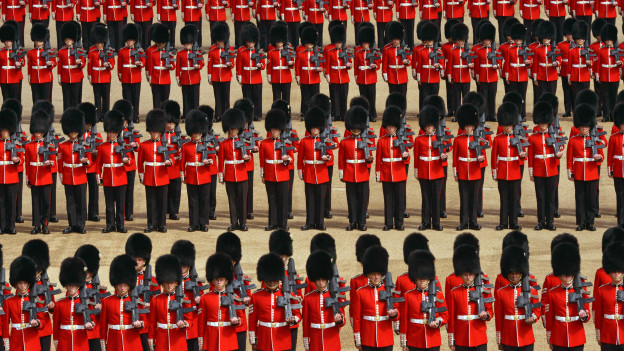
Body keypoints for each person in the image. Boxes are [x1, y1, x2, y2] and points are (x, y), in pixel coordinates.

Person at [544, 242, 591, 351]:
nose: (567, 276)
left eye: (569, 273)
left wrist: (584, 316)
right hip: (558, 337)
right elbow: (550, 317)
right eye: (564, 273)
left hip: (577, 336)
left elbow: (587, 314)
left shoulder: (581, 291)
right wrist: (550, 338)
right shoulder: (552, 293)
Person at [249, 253, 301, 351]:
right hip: (264, 341)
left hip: (283, 341)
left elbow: (298, 314)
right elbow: (252, 321)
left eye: (274, 279)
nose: (272, 282)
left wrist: (294, 319)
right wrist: (253, 340)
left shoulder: (289, 294)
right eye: (269, 280)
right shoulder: (256, 296)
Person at [351, 245, 398, 351]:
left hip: (385, 338)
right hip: (368, 339)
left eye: (379, 274)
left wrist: (394, 315)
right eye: (373, 274)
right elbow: (357, 318)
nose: (376, 277)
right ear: (368, 274)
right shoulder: (360, 292)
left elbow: (397, 314)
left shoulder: (389, 290)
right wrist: (358, 339)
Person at [447, 244, 493, 351]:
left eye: (471, 274)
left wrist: (486, 315)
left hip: (479, 337)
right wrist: (451, 340)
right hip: (461, 339)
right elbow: (452, 317)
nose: (468, 277)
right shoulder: (454, 292)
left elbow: (490, 311)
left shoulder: (483, 288)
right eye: (465, 274)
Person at [399, 249, 448, 351]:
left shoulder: (438, 294)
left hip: (433, 339)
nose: (422, 279)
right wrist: (404, 342)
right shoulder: (408, 296)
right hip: (414, 341)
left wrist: (438, 322)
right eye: (419, 277)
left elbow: (445, 315)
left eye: (425, 276)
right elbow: (404, 320)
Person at [494, 245, 541, 350]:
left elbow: (537, 309)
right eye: (511, 273)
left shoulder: (531, 290)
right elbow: (499, 316)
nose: (514, 276)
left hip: (526, 336)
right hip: (508, 338)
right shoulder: (501, 292)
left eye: (517, 273)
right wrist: (499, 338)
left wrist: (533, 317)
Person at [567, 103, 603, 231]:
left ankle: (590, 222)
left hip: (591, 171)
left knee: (591, 199)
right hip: (578, 172)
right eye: (582, 126)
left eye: (586, 126)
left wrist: (599, 159)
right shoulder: (573, 140)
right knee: (580, 198)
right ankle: (581, 222)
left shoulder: (596, 139)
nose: (584, 128)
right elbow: (569, 157)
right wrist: (570, 172)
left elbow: (601, 155)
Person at [527, 101, 562, 231]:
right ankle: (541, 221)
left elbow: (560, 150)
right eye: (541, 122)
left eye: (544, 122)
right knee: (540, 198)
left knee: (550, 197)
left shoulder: (554, 136)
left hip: (551, 170)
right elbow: (530, 157)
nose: (542, 125)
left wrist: (559, 154)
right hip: (538, 171)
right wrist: (531, 173)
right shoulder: (533, 138)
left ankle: (550, 222)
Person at [198, 253, 243, 351]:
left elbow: (242, 319)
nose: (219, 282)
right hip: (211, 339)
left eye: (221, 280)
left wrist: (237, 321)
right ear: (212, 281)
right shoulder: (205, 298)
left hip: (228, 338)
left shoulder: (235, 297)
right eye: (216, 280)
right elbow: (201, 322)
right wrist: (201, 340)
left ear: (226, 281)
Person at [302, 250, 345, 351]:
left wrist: (339, 320)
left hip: (332, 340)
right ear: (314, 280)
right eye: (318, 279)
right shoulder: (308, 298)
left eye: (323, 279)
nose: (321, 283)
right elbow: (306, 323)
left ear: (327, 279)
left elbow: (343, 321)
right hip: (315, 342)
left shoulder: (335, 295)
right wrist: (306, 342)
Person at [215, 232, 251, 351]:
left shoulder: (243, 279)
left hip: (239, 326)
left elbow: (250, 302)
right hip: (223, 325)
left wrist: (246, 301)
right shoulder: (215, 280)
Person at [148, 254, 193, 351]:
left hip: (178, 339)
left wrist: (185, 324)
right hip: (161, 339)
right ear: (163, 283)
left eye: (171, 282)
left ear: (176, 283)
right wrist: (151, 338)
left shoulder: (184, 298)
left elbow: (190, 320)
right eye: (167, 282)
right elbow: (152, 322)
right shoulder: (156, 300)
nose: (169, 285)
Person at [339, 106, 373, 231]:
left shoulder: (367, 141)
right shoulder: (345, 142)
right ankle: (352, 221)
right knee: (351, 199)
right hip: (349, 173)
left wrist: (369, 161)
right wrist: (342, 173)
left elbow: (370, 157)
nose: (356, 129)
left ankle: (362, 222)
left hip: (362, 172)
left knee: (363, 199)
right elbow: (341, 159)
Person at [492, 103, 525, 231]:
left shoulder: (519, 138)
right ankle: (503, 222)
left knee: (514, 198)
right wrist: (495, 172)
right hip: (502, 172)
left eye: (510, 125)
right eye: (506, 125)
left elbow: (524, 156)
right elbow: (494, 157)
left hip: (515, 171)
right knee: (504, 199)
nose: (508, 128)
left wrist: (523, 155)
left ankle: (514, 222)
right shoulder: (498, 139)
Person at [138, 109, 172, 233]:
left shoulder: (165, 144)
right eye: (153, 131)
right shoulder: (144, 145)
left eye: (157, 131)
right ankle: (151, 224)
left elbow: (171, 158)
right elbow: (140, 162)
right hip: (149, 177)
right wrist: (141, 176)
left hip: (162, 175)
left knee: (162, 203)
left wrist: (169, 162)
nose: (155, 133)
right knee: (151, 202)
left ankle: (162, 224)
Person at [125, 232, 160, 351]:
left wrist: (150, 305)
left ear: (145, 261)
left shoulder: (153, 280)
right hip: (129, 323)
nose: (137, 262)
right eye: (135, 259)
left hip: (147, 324)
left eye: (140, 260)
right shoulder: (124, 279)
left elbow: (159, 301)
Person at [298, 107, 332, 230]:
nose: (315, 129)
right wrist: (300, 171)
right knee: (310, 199)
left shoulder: (325, 141)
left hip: (321, 172)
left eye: (317, 128)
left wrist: (327, 157)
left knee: (320, 200)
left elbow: (331, 156)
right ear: (310, 128)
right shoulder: (304, 141)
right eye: (313, 128)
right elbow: (300, 158)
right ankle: (310, 222)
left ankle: (320, 223)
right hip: (309, 173)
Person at [413, 105, 446, 231]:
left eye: (431, 126)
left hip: (436, 171)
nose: (429, 128)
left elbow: (445, 151)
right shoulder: (419, 139)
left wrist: (443, 156)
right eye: (427, 126)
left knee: (436, 199)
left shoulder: (439, 138)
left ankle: (436, 223)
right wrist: (416, 171)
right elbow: (416, 156)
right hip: (424, 172)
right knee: (425, 199)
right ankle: (425, 222)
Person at [97, 110, 130, 233]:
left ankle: (120, 225)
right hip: (107, 178)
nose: (111, 134)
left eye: (113, 132)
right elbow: (98, 165)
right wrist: (99, 178)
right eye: (109, 132)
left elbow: (130, 161)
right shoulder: (102, 146)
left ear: (117, 133)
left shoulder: (124, 146)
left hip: (120, 177)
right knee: (109, 205)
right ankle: (110, 225)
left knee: (121, 205)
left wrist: (127, 161)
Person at [453, 104, 485, 231]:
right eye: (466, 126)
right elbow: (455, 158)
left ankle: (473, 222)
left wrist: (480, 159)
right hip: (462, 171)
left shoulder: (479, 139)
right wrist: (455, 173)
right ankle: (463, 222)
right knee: (464, 198)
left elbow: (482, 154)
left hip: (475, 171)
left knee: (473, 198)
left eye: (470, 126)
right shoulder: (458, 140)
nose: (468, 128)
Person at [100, 255, 143, 351]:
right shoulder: (107, 301)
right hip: (114, 341)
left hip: (132, 340)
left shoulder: (136, 301)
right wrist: (103, 341)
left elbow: (143, 320)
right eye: (120, 285)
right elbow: (103, 324)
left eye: (125, 285)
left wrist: (140, 324)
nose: (122, 288)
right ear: (115, 285)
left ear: (129, 285)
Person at [259, 109, 292, 230]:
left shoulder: (286, 143)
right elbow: (262, 161)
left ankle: (283, 223)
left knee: (283, 200)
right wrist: (263, 175)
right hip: (270, 175)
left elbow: (292, 159)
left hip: (282, 174)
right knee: (271, 199)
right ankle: (272, 222)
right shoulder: (264, 143)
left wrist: (286, 159)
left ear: (280, 130)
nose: (275, 132)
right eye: (273, 130)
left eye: (277, 130)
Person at [180, 109, 213, 232]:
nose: (196, 135)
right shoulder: (186, 146)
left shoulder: (207, 145)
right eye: (194, 133)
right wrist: (183, 176)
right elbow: (182, 162)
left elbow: (212, 160)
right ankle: (193, 223)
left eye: (198, 133)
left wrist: (208, 162)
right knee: (193, 201)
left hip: (204, 175)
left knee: (204, 201)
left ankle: (203, 223)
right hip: (191, 176)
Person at [218, 108, 250, 231]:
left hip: (242, 173)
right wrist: (221, 176)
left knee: (242, 200)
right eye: (231, 129)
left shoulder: (244, 142)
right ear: (228, 130)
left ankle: (243, 223)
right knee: (232, 200)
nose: (234, 131)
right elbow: (221, 161)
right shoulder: (223, 144)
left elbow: (250, 159)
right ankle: (234, 223)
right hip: (230, 175)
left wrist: (247, 159)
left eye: (235, 129)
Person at [58, 108, 89, 234]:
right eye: (71, 131)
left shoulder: (84, 145)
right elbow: (60, 163)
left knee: (81, 202)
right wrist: (61, 175)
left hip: (80, 175)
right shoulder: (63, 145)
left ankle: (81, 225)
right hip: (68, 176)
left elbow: (90, 161)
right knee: (70, 202)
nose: (73, 133)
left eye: (75, 131)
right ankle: (72, 224)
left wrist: (85, 162)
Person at [3, 256, 42, 351]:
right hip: (16, 341)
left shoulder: (35, 299)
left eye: (25, 282)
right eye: (20, 283)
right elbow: (5, 323)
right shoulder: (9, 301)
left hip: (32, 340)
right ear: (15, 284)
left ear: (29, 283)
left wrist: (37, 323)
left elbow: (42, 319)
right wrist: (6, 340)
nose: (23, 286)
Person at [53, 257, 93, 351]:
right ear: (65, 285)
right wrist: (56, 341)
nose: (71, 287)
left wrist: (91, 325)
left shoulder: (86, 302)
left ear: (78, 285)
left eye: (74, 284)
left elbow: (92, 320)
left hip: (80, 340)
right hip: (64, 341)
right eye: (69, 284)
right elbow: (56, 325)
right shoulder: (59, 304)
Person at [25, 110, 54, 234]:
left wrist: (50, 163)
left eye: (39, 132)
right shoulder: (29, 146)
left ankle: (45, 224)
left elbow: (53, 160)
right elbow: (27, 163)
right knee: (35, 202)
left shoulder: (49, 145)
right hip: (34, 177)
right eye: (36, 132)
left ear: (43, 132)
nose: (37, 134)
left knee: (46, 202)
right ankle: (36, 225)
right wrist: (28, 178)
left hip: (45, 176)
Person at [170, 240, 203, 351]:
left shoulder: (196, 282)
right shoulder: (170, 282)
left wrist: (199, 301)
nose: (182, 269)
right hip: (176, 327)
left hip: (193, 328)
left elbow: (203, 308)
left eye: (185, 266)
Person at [74, 244, 106, 351]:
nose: (87, 274)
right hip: (79, 331)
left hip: (95, 332)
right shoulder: (74, 288)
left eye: (89, 271)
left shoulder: (101, 289)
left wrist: (102, 308)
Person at [594, 241, 624, 350]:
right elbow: (598, 314)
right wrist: (599, 334)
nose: (616, 273)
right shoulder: (602, 290)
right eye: (614, 270)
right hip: (607, 335)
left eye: (619, 270)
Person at [118, 23, 145, 124]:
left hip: (136, 76)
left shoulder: (139, 51)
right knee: (127, 98)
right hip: (125, 77)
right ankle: (128, 116)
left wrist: (140, 64)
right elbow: (120, 64)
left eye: (131, 40)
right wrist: (120, 75)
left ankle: (135, 115)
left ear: (134, 41)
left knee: (135, 98)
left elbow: (143, 61)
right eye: (128, 40)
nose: (130, 42)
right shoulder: (122, 51)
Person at [236, 23, 264, 122]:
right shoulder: (241, 51)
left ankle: (257, 114)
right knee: (247, 98)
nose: (250, 43)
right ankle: (248, 115)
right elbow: (239, 64)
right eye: (249, 42)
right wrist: (239, 76)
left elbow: (263, 64)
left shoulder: (258, 51)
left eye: (252, 42)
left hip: (256, 77)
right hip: (246, 77)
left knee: (257, 98)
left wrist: (260, 66)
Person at [207, 22, 234, 122]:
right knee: (217, 96)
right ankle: (218, 115)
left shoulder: (229, 49)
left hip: (226, 75)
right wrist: (209, 76)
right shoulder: (212, 49)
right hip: (215, 76)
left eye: (221, 41)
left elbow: (232, 63)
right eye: (217, 40)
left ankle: (226, 115)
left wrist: (230, 65)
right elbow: (210, 64)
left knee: (226, 96)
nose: (219, 42)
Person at [162, 100, 184, 220]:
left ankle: (174, 211)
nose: (170, 125)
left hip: (176, 166)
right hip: (165, 166)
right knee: (164, 190)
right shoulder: (161, 135)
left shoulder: (179, 136)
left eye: (172, 123)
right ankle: (164, 210)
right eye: (168, 123)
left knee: (175, 190)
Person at [88, 24, 115, 121]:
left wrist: (109, 66)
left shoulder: (108, 51)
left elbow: (112, 63)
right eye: (97, 43)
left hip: (105, 76)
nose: (99, 44)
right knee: (97, 97)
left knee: (106, 98)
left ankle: (105, 114)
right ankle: (98, 115)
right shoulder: (91, 51)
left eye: (100, 43)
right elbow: (90, 65)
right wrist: (90, 76)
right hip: (95, 76)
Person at [0, 109, 21, 235]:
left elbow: (21, 159)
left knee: (11, 202)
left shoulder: (16, 143)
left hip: (12, 177)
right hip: (0, 177)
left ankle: (11, 226)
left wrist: (17, 160)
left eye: (6, 131)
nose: (4, 133)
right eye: (2, 131)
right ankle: (2, 226)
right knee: (1, 202)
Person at [177, 25, 203, 118]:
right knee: (186, 97)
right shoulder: (180, 53)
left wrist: (198, 66)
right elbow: (178, 67)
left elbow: (202, 62)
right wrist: (178, 78)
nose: (187, 44)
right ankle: (186, 113)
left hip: (194, 77)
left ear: (192, 43)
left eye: (189, 43)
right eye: (186, 43)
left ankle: (195, 113)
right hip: (184, 78)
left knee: (195, 97)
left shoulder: (197, 52)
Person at [57, 21, 85, 111]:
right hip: (65, 77)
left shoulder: (80, 50)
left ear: (73, 40)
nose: (68, 41)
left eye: (70, 39)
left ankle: (76, 113)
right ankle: (66, 114)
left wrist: (79, 63)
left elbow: (83, 63)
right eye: (66, 39)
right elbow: (60, 65)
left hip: (76, 76)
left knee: (75, 97)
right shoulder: (61, 51)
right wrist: (59, 78)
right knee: (66, 98)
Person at [596, 24, 620, 122]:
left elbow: (622, 60)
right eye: (607, 39)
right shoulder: (601, 50)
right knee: (605, 97)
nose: (609, 41)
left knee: (613, 97)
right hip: (605, 76)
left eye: (610, 39)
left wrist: (621, 63)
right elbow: (597, 64)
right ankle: (606, 115)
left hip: (614, 76)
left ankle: (613, 115)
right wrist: (597, 75)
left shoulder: (617, 50)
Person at [147, 24, 174, 109]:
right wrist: (149, 77)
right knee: (156, 101)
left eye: (162, 43)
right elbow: (150, 65)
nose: (160, 44)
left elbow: (173, 65)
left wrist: (170, 66)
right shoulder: (151, 51)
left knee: (165, 101)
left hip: (165, 79)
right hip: (155, 79)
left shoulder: (169, 51)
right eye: (159, 42)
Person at [566, 21, 592, 107]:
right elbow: (569, 65)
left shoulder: (588, 51)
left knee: (585, 96)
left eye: (582, 39)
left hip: (585, 75)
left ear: (584, 39)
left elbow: (591, 65)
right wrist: (569, 77)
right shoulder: (571, 51)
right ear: (575, 39)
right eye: (578, 39)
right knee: (576, 96)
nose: (580, 40)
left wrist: (589, 64)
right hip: (575, 76)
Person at [27, 24, 55, 103]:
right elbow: (29, 66)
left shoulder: (50, 51)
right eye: (37, 40)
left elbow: (54, 62)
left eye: (40, 40)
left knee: (46, 100)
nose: (38, 42)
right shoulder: (30, 53)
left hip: (46, 77)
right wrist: (29, 77)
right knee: (36, 99)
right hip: (35, 78)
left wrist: (50, 64)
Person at [267, 23, 293, 103]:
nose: (279, 43)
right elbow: (269, 66)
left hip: (286, 77)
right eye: (277, 42)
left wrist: (291, 64)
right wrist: (269, 76)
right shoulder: (271, 52)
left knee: (286, 99)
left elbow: (292, 66)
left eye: (280, 41)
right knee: (276, 98)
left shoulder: (289, 51)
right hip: (275, 77)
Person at [382, 21, 410, 95]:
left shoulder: (405, 48)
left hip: (402, 76)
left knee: (402, 97)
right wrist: (385, 74)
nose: (396, 41)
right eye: (394, 39)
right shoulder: (386, 48)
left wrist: (407, 62)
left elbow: (409, 61)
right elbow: (385, 63)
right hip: (392, 76)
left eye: (397, 40)